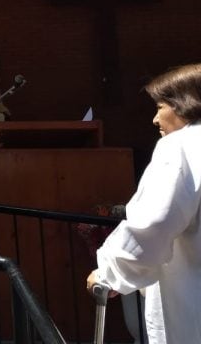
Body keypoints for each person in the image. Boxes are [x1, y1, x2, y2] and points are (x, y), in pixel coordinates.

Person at [86, 63, 201, 343]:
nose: (154, 119)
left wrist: (108, 272)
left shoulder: (181, 146)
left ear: (183, 105)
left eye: (160, 107)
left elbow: (155, 221)